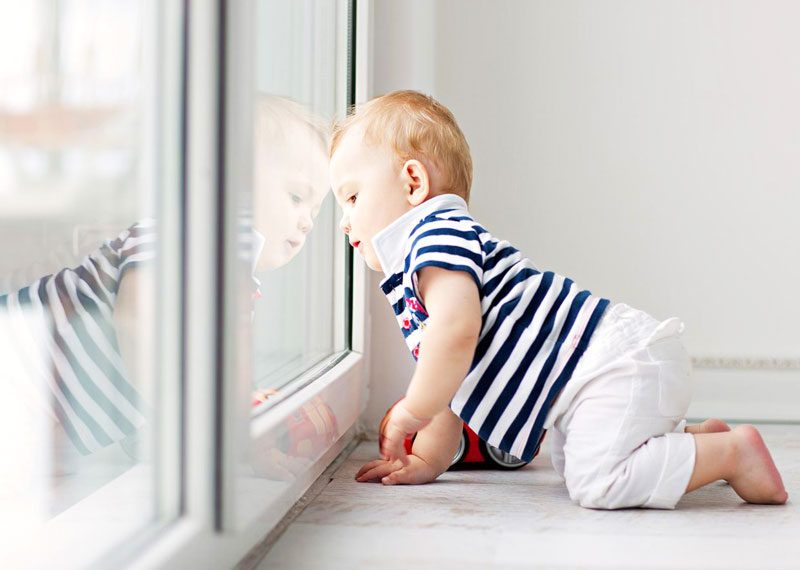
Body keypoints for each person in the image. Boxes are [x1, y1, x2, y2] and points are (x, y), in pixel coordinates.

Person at [329, 90, 788, 509]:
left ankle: (732, 454)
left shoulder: (434, 238)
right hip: (618, 367)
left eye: (352, 197)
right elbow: (452, 380)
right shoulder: (431, 258)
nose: (345, 221)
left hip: (615, 364)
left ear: (413, 182)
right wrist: (427, 461)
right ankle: (694, 443)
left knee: (596, 482)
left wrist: (413, 409)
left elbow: (455, 334)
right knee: (573, 462)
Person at [0, 94, 330, 459]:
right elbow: (137, 325)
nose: (307, 221)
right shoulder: (176, 238)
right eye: (297, 197)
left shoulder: (236, 286)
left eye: (315, 209)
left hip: (38, 416)